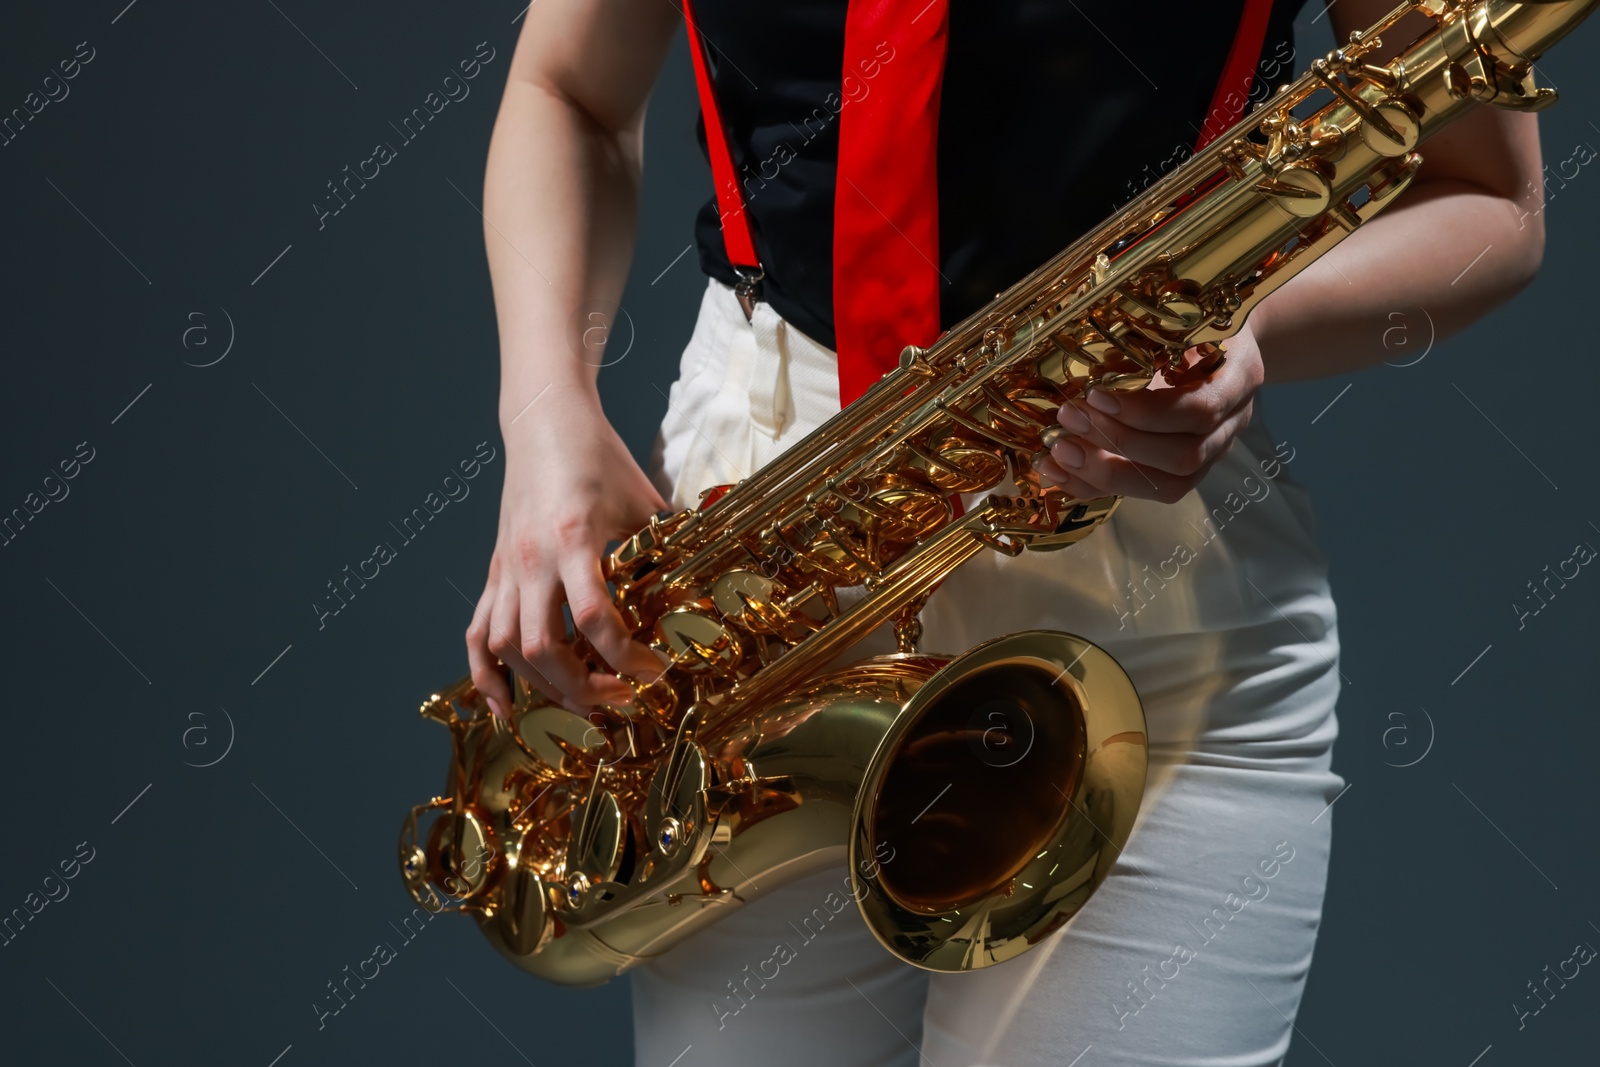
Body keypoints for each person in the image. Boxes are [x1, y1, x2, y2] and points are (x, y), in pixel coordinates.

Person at [463, 0, 1546, 1063]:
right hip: (746, 580)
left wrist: (1250, 323)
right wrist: (545, 410)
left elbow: (1490, 196)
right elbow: (568, 92)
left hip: (1154, 590)